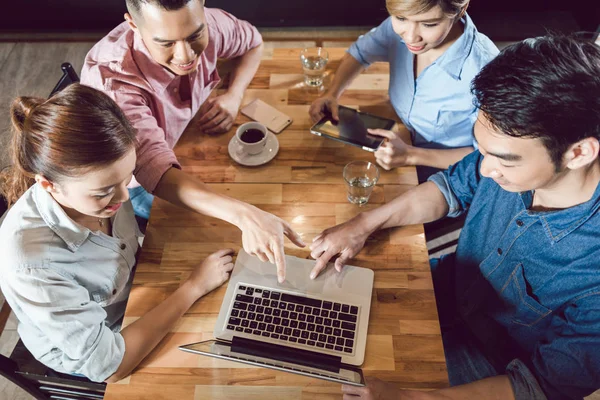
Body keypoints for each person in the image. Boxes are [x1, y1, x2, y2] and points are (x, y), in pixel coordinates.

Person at [312, 35, 600, 399]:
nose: (485, 167)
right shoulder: (505, 155)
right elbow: (450, 187)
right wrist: (363, 224)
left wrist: (408, 398)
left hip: (492, 368)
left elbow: (537, 388)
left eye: (504, 159)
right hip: (448, 286)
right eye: (480, 149)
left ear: (578, 153)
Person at [0, 84, 236, 383]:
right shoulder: (32, 265)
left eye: (128, 177)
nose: (124, 198)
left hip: (133, 290)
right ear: (48, 185)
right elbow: (109, 366)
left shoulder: (100, 191)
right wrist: (193, 287)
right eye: (104, 192)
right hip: (101, 343)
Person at [81, 0, 304, 283]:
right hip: (139, 184)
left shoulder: (209, 23)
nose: (185, 55)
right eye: (166, 43)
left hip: (184, 142)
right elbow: (155, 171)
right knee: (212, 247)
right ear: (133, 25)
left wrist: (234, 95)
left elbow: (254, 43)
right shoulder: (113, 84)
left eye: (195, 36)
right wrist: (246, 216)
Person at [309, 0, 498, 178]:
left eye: (429, 24)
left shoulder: (488, 71)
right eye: (400, 19)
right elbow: (361, 52)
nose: (410, 36)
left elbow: (490, 158)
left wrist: (409, 155)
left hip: (450, 176)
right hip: (400, 144)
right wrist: (332, 93)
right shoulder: (406, 19)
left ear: (461, 10)